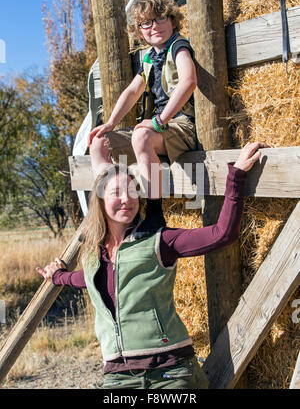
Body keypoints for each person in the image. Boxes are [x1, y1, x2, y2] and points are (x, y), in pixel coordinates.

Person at [37, 142, 269, 389]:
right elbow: (88, 280)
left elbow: (222, 234)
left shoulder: (159, 241)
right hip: (119, 377)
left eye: (132, 191)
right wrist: (58, 276)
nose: (126, 199)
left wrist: (237, 175)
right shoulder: (94, 257)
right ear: (101, 201)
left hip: (171, 372)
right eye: (116, 193)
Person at [88, 0, 198, 238]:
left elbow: (188, 81)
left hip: (180, 125)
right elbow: (132, 91)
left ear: (172, 19)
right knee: (98, 143)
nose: (153, 26)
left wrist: (159, 121)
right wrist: (110, 123)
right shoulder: (149, 57)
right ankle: (109, 211)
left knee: (140, 136)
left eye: (159, 18)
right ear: (139, 30)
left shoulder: (179, 47)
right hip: (159, 129)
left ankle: (155, 213)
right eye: (145, 23)